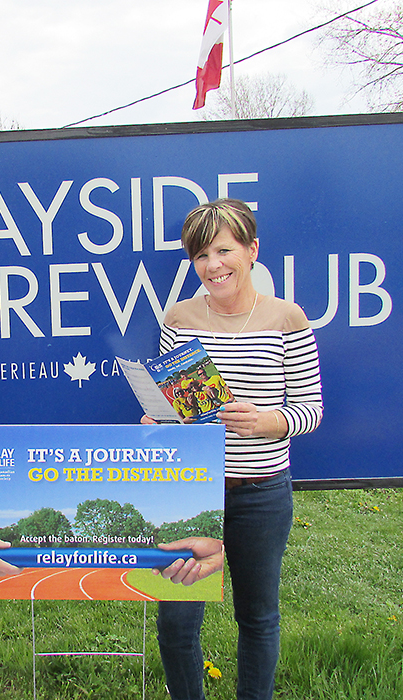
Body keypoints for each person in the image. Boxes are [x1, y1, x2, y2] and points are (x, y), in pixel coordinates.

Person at [145, 199, 323, 700]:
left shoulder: (287, 318)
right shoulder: (178, 318)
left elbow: (311, 410)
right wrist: (158, 417)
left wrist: (268, 421)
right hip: (189, 492)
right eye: (201, 255)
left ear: (252, 251)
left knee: (258, 615)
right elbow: (173, 403)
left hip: (261, 492)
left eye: (224, 250)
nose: (213, 266)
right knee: (177, 619)